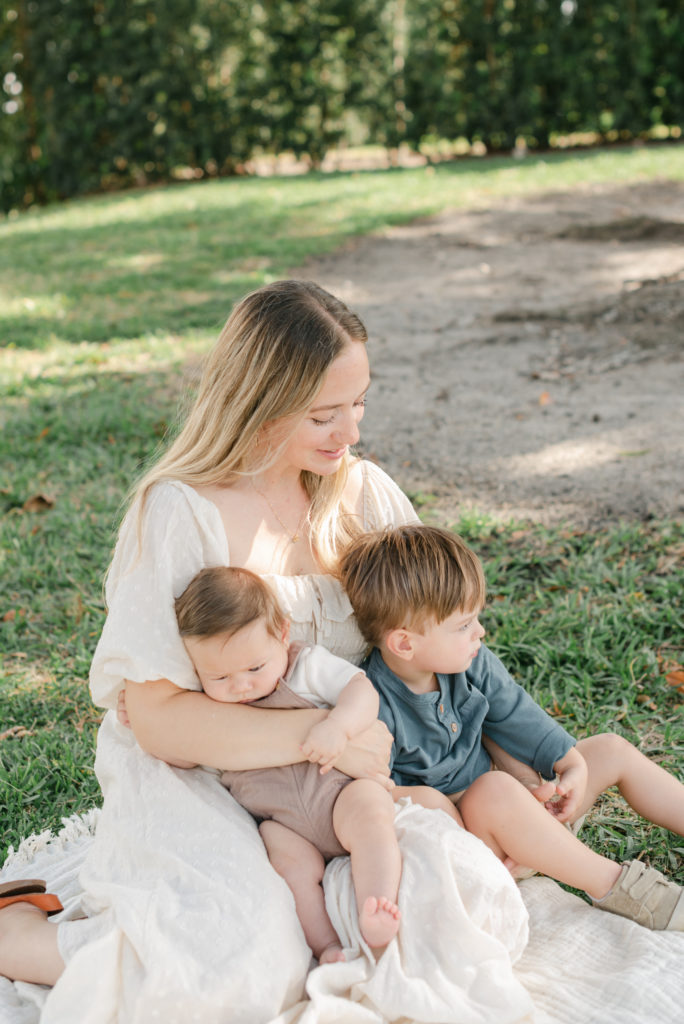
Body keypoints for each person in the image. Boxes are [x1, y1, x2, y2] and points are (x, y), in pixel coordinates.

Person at [0, 280, 450, 1011]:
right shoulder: (181, 510)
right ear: (261, 403)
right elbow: (158, 719)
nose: (351, 432)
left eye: (359, 403)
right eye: (324, 413)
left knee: (437, 904)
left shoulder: (361, 496)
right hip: (200, 772)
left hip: (337, 781)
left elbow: (431, 641)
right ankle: (20, 935)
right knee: (240, 960)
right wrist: (322, 734)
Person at [338, 523, 684, 932]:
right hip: (474, 841)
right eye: (464, 624)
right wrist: (468, 815)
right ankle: (624, 889)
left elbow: (514, 710)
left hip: (519, 815)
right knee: (492, 790)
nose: (479, 632)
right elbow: (385, 794)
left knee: (609, 749)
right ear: (404, 644)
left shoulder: (469, 661)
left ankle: (547, 841)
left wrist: (568, 762)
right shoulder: (372, 701)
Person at [172, 565, 463, 961]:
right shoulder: (209, 708)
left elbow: (361, 690)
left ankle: (376, 905)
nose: (241, 685)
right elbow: (186, 752)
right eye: (219, 677)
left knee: (370, 820)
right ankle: (325, 946)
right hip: (282, 822)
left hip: (339, 793)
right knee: (288, 868)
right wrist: (141, 724)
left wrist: (339, 727)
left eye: (255, 668)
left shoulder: (305, 667)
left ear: (283, 635)